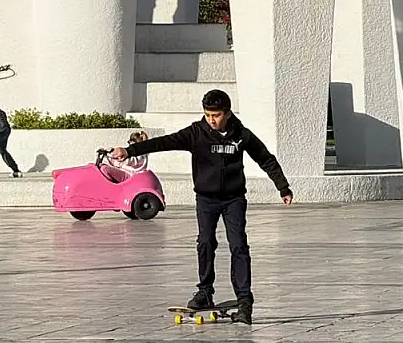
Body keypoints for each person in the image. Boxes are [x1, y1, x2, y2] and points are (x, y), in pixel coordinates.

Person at [112, 89, 293, 325]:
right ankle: (205, 291)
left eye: (216, 115)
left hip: (233, 199)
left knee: (238, 245)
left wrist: (283, 187)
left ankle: (244, 299)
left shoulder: (241, 135)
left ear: (227, 113)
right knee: (205, 242)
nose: (211, 120)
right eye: (208, 115)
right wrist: (129, 151)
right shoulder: (196, 133)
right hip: (206, 199)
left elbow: (265, 158)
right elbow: (165, 142)